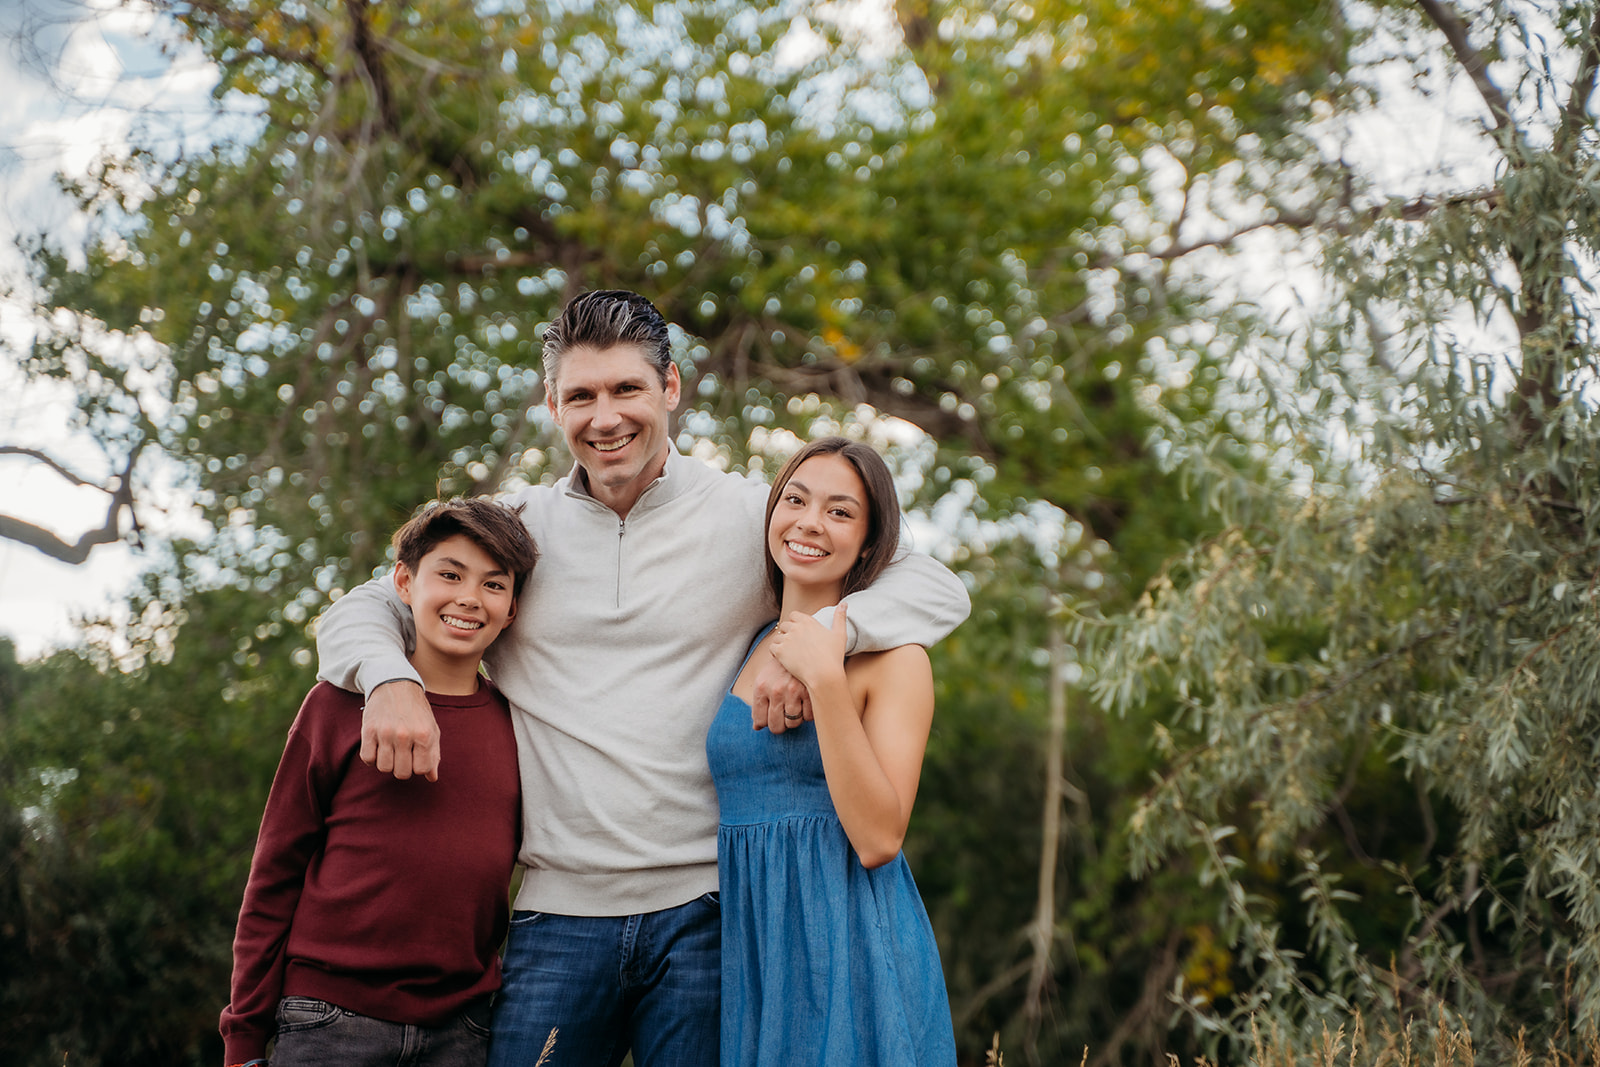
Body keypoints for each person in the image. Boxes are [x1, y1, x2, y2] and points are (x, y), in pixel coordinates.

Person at [315, 290, 971, 1067]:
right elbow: (365, 602)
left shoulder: (749, 518)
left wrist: (830, 632)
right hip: (557, 912)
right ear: (553, 405)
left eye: (627, 388)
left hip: (707, 914)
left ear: (670, 389)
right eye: (582, 395)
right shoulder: (514, 530)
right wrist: (390, 677)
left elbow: (936, 585)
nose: (606, 416)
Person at [221, 498, 540, 1067]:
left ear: (513, 609)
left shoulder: (520, 725)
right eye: (449, 574)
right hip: (329, 1020)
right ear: (403, 582)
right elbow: (274, 874)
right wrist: (243, 1035)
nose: (469, 597)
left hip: (462, 1029)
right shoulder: (336, 706)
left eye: (494, 585)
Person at [707, 436, 957, 1066]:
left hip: (851, 942)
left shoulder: (897, 661)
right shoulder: (751, 639)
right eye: (795, 499)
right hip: (755, 947)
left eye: (841, 511)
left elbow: (879, 838)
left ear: (872, 543)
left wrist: (824, 672)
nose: (810, 522)